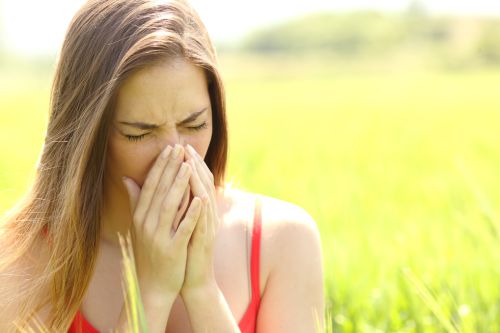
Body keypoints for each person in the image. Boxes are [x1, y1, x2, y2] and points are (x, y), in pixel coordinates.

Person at [0, 0, 324, 332]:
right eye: (139, 133)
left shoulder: (282, 241)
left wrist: (202, 291)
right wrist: (149, 293)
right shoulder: (17, 261)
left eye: (195, 125)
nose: (177, 154)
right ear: (88, 140)